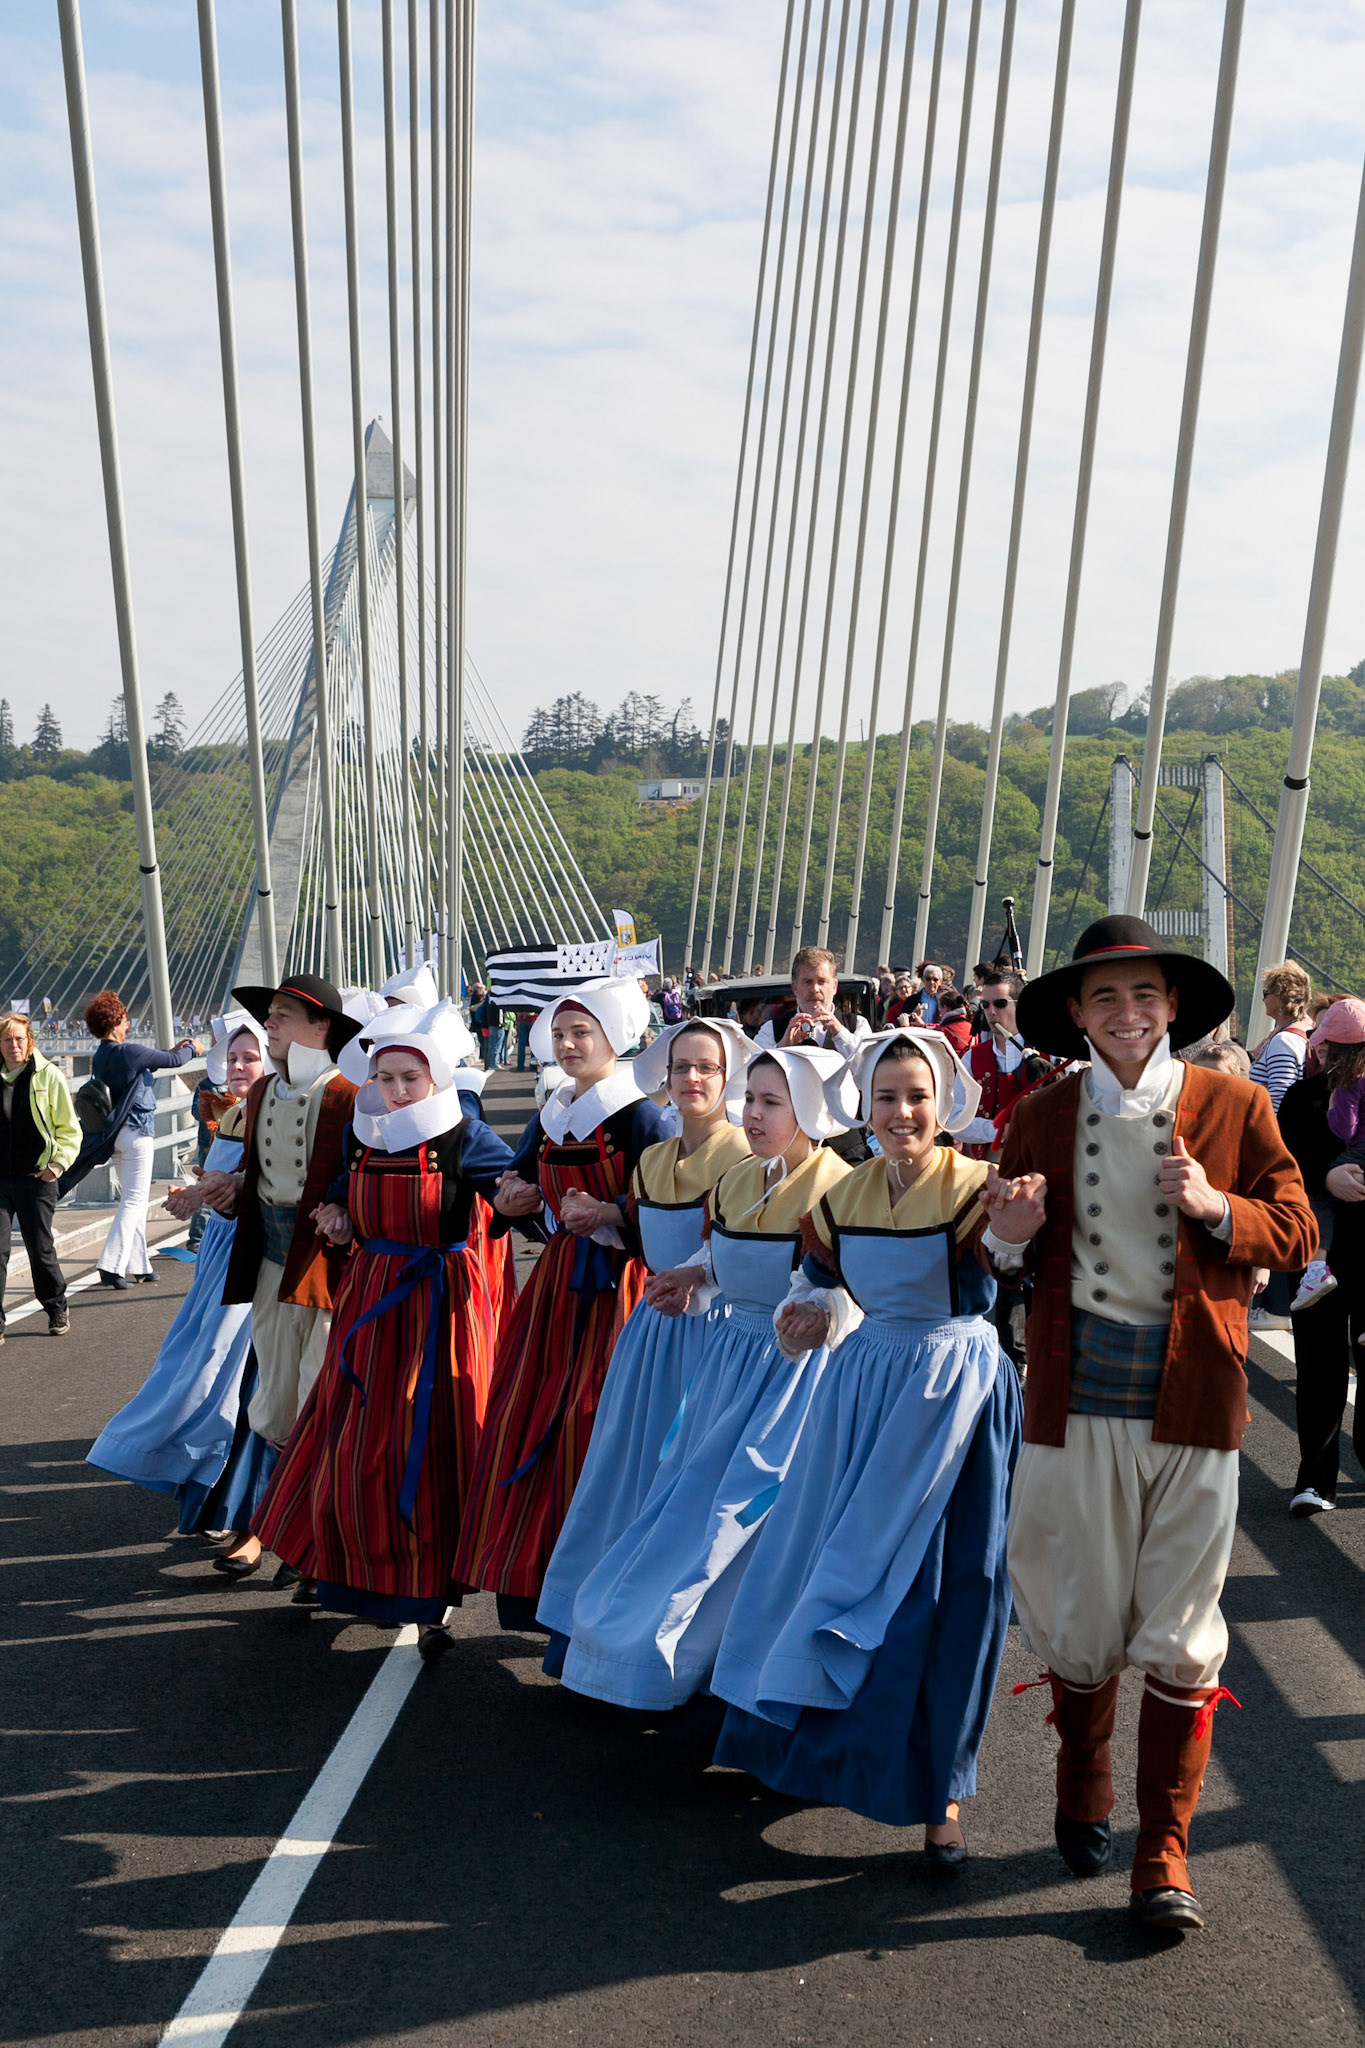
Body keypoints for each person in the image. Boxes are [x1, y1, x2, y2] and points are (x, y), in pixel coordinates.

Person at [984, 915, 1314, 1935]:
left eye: (1143, 995)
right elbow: (997, 1253)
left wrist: (1220, 1207)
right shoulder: (1040, 1114)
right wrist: (1008, 1232)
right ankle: (1083, 1775)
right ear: (1077, 1016)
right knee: (1077, 1614)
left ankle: (1162, 1850)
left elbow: (1297, 1230)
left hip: (1195, 1398)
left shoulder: (1236, 1102)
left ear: (1173, 1007)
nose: (1126, 1013)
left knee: (1182, 1631)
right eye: (1104, 998)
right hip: (1074, 1398)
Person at [712, 1029, 1022, 1865]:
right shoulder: (841, 1197)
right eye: (885, 1097)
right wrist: (802, 1320)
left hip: (954, 1390)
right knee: (827, 1563)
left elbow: (1003, 1264)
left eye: (916, 1095)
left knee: (951, 1583)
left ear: (945, 1101)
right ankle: (806, 1743)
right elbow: (812, 1286)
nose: (901, 1112)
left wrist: (1015, 1233)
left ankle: (940, 1792)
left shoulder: (974, 1187)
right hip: (863, 1386)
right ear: (863, 1105)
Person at [555, 1045, 850, 1713]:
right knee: (688, 1503)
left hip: (793, 1376)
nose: (753, 1114)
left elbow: (846, 1288)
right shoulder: (741, 1178)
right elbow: (720, 1252)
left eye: (772, 1103)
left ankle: (739, 1670)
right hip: (726, 1364)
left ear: (809, 1110)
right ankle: (668, 1660)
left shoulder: (835, 1186)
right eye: (753, 1099)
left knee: (745, 1517)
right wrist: (692, 1273)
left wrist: (817, 1316)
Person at [254, 1002, 516, 1659]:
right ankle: (335, 1562)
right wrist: (338, 1212)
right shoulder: (362, 1131)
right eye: (386, 1077)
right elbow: (342, 1187)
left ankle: (431, 1600)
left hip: (437, 1310)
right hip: (371, 1302)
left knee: (423, 1450)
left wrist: (527, 1201)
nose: (396, 1091)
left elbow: (513, 1190)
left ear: (434, 1081)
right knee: (348, 1440)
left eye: (409, 1078)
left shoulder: (463, 1136)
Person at [452, 979, 670, 1627]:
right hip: (558, 1286)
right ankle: (536, 1582)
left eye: (583, 1033)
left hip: (619, 1289)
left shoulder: (639, 1116)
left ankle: (599, 1593)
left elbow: (667, 1202)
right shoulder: (554, 1113)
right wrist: (510, 1201)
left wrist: (612, 1212)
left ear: (615, 1038)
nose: (569, 1044)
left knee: (597, 1427)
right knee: (533, 1417)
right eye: (561, 1034)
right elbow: (515, 1184)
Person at [537, 1017, 754, 1649]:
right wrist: (604, 1213)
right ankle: (604, 1627)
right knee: (626, 1469)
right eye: (681, 1067)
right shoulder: (654, 1158)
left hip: (715, 1336)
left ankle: (672, 1636)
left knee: (688, 1481)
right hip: (653, 1332)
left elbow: (744, 1247)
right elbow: (642, 1230)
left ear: (726, 1076)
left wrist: (696, 1275)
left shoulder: (744, 1155)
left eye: (706, 1068)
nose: (691, 1079)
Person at [86, 1017, 279, 1543]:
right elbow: (222, 1182)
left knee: (228, 1375)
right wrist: (196, 1195)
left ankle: (248, 1513)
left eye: (250, 1058)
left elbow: (275, 1187)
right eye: (234, 1058)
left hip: (253, 1260)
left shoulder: (279, 1114)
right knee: (199, 1366)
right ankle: (217, 1495)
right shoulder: (234, 1113)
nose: (239, 1067)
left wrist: (217, 1193)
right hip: (220, 1256)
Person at [196, 974, 362, 1588]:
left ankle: (317, 1543)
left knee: (321, 1393)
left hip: (323, 1268)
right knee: (276, 1401)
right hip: (268, 1260)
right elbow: (254, 1176)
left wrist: (348, 1214)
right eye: (270, 1017)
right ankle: (289, 1528)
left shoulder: (350, 1096)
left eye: (283, 1016)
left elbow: (366, 1182)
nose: (270, 1026)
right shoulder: (262, 1091)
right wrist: (222, 1189)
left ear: (321, 1029)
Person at [1277, 1019, 1365, 1517]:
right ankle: (1316, 1478)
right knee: (1319, 1365)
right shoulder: (1302, 1097)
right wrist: (1328, 1176)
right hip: (1319, 1251)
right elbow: (1281, 1168)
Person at [82, 990, 202, 1289]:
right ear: (117, 1019)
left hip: (115, 1136)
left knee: (132, 1198)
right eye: (124, 1017)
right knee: (135, 1201)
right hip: (137, 1132)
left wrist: (172, 1051)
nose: (128, 1022)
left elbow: (143, 1066)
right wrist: (194, 1048)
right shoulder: (129, 1051)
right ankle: (110, 1265)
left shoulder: (102, 1055)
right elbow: (175, 1059)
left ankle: (140, 1264)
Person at [0, 1011, 80, 1340]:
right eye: (7, 1039)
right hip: (1, 1179)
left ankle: (55, 1305)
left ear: (29, 1040)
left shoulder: (47, 1076)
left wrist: (56, 1166)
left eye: (19, 1038)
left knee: (40, 1249)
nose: (14, 1045)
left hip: (37, 1177)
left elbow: (69, 1129)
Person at [754, 947, 873, 1057]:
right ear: (794, 988)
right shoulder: (771, 1029)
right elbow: (752, 1071)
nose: (815, 989)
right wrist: (782, 1046)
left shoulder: (857, 1024)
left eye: (822, 981)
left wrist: (839, 1033)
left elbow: (867, 1066)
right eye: (807, 982)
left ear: (834, 987)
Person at [1247, 962, 1312, 1111]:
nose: (1263, 1000)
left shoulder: (1283, 1042)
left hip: (1276, 1130)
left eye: (1266, 994)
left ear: (1281, 997)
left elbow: (1279, 1100)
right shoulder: (1308, 1031)